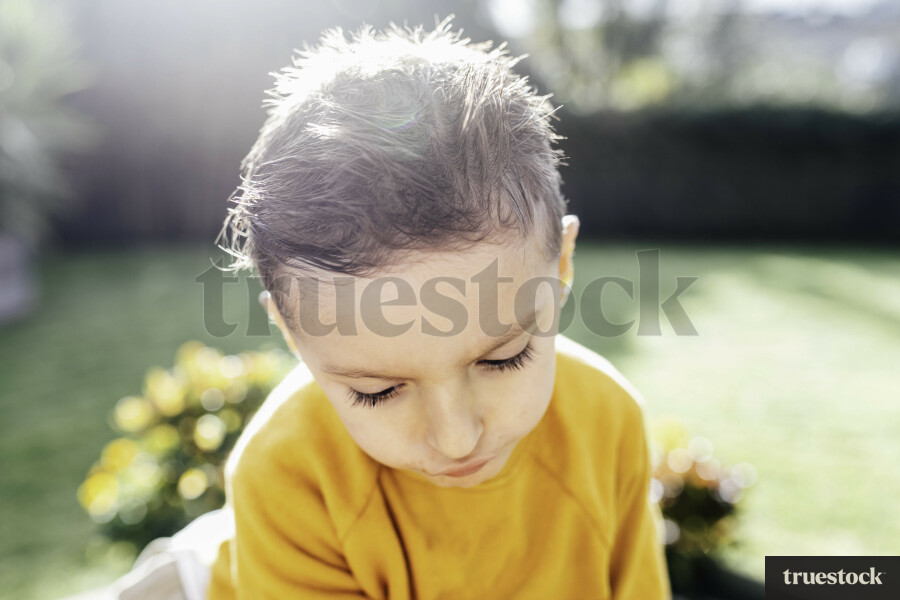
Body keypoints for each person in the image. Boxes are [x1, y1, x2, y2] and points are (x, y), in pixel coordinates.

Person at [204, 18, 670, 600]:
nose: (456, 440)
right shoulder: (288, 475)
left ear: (562, 267)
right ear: (293, 334)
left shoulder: (607, 422)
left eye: (503, 358)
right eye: (378, 392)